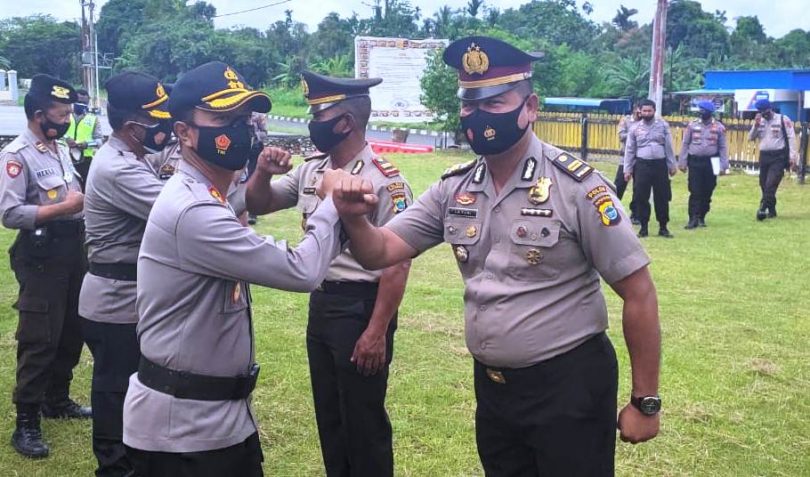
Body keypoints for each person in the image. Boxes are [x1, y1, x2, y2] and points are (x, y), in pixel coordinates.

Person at [331, 36, 662, 476]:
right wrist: (355, 219)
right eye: (469, 103)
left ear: (530, 107)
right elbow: (380, 252)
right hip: (494, 391)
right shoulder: (454, 188)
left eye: (495, 101)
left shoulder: (578, 188)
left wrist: (646, 402)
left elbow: (638, 293)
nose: (478, 115)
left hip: (569, 388)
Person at [122, 61, 349, 477]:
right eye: (223, 119)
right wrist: (330, 202)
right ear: (184, 133)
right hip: (185, 436)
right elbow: (301, 271)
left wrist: (259, 174)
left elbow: (227, 210)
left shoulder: (204, 195)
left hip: (215, 421)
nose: (239, 130)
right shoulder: (192, 210)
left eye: (244, 119)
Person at [245, 70, 413, 477]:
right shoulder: (312, 170)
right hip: (322, 303)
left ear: (346, 122)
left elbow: (397, 263)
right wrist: (264, 170)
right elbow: (259, 203)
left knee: (363, 422)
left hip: (360, 307)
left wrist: (376, 330)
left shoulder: (384, 181)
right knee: (330, 418)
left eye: (319, 113)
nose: (311, 121)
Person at [79, 71, 173, 476]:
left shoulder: (133, 156)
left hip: (127, 294)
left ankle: (131, 460)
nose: (165, 127)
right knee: (115, 389)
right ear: (135, 126)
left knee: (133, 386)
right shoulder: (120, 169)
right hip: (115, 299)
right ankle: (114, 467)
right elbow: (181, 212)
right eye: (157, 119)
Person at [0, 74, 91, 459]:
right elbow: (9, 212)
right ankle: (27, 423)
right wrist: (61, 209)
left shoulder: (58, 148)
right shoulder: (17, 155)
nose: (68, 118)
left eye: (69, 112)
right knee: (40, 337)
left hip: (74, 251)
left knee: (73, 328)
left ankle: (58, 399)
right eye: (61, 113)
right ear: (39, 115)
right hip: (41, 257)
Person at [623, 99, 677, 238]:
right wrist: (627, 169)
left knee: (662, 196)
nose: (647, 113)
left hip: (660, 165)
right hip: (642, 165)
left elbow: (669, 146)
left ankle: (663, 227)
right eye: (644, 111)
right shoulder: (634, 128)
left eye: (650, 111)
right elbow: (630, 150)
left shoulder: (663, 125)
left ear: (654, 111)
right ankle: (643, 227)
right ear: (640, 111)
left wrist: (672, 165)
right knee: (641, 196)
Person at [678, 101, 729, 229]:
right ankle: (693, 218)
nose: (701, 113)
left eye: (704, 111)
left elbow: (722, 147)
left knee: (709, 189)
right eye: (700, 110)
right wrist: (682, 161)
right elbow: (685, 143)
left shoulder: (719, 127)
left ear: (710, 113)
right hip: (695, 160)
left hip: (713, 161)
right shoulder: (692, 125)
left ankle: (702, 216)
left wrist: (724, 165)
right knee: (695, 190)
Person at [748, 99, 798, 220]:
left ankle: (762, 208)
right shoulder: (760, 122)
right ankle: (772, 209)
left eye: (765, 111)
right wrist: (756, 125)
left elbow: (791, 138)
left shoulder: (782, 119)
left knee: (771, 183)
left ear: (770, 109)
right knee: (763, 184)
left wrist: (792, 157)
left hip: (778, 156)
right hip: (764, 156)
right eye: (761, 112)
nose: (764, 114)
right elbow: (750, 137)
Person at [65, 88, 103, 189]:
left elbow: (99, 140)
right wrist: (66, 140)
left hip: (85, 160)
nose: (81, 104)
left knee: (85, 187)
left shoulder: (93, 119)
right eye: (78, 102)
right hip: (65, 157)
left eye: (84, 102)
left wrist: (87, 144)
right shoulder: (65, 116)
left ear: (88, 102)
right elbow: (56, 135)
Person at [615, 103, 641, 223]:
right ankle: (613, 210)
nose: (641, 113)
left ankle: (635, 214)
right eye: (639, 110)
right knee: (619, 185)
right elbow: (621, 136)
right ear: (635, 110)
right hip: (625, 158)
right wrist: (634, 133)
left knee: (639, 188)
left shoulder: (646, 123)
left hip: (640, 158)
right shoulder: (625, 121)